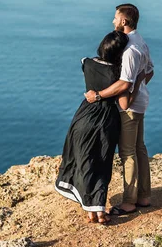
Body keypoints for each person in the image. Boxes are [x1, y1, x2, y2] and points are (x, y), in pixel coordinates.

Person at [85, 3, 154, 215]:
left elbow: (124, 83)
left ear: (124, 21)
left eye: (115, 18)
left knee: (128, 153)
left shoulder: (130, 50)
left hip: (130, 107)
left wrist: (98, 95)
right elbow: (150, 71)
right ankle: (144, 196)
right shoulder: (140, 42)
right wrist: (139, 84)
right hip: (140, 102)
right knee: (139, 148)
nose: (113, 21)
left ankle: (128, 202)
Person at [55, 31, 130, 224]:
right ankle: (100, 211)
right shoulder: (118, 73)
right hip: (106, 120)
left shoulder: (86, 63)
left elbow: (90, 67)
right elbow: (123, 104)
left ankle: (90, 211)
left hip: (83, 117)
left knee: (84, 162)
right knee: (102, 163)